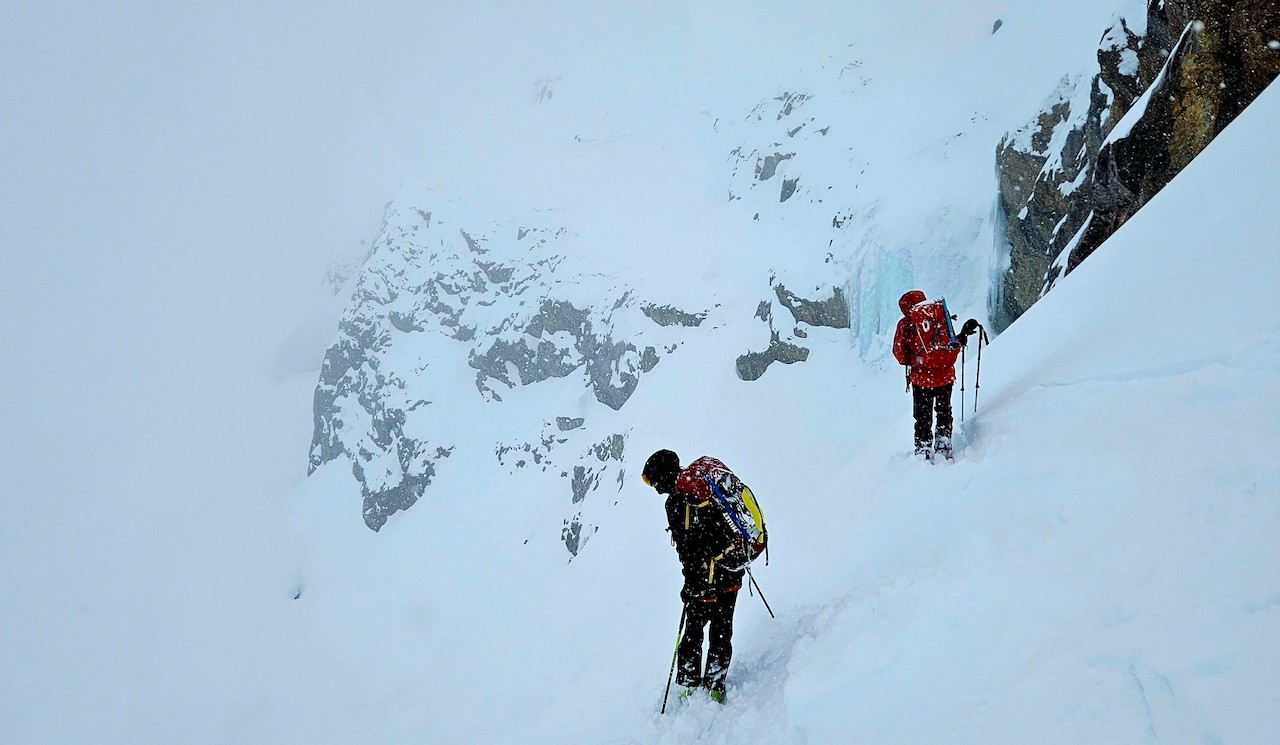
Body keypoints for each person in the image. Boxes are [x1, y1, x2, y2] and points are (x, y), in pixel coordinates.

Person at [642, 449, 744, 704]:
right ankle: (715, 685)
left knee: (692, 634)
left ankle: (688, 686)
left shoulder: (676, 502)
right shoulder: (705, 488)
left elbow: (690, 550)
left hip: (705, 582)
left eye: (653, 480)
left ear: (664, 477)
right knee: (722, 630)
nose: (654, 487)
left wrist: (690, 587)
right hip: (731, 572)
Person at [892, 290, 980, 459]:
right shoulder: (938, 316)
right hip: (945, 376)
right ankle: (943, 442)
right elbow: (950, 343)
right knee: (944, 410)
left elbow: (900, 355)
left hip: (921, 379)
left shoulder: (906, 323)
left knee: (922, 416)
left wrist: (915, 359)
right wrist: (962, 338)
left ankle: (923, 448)